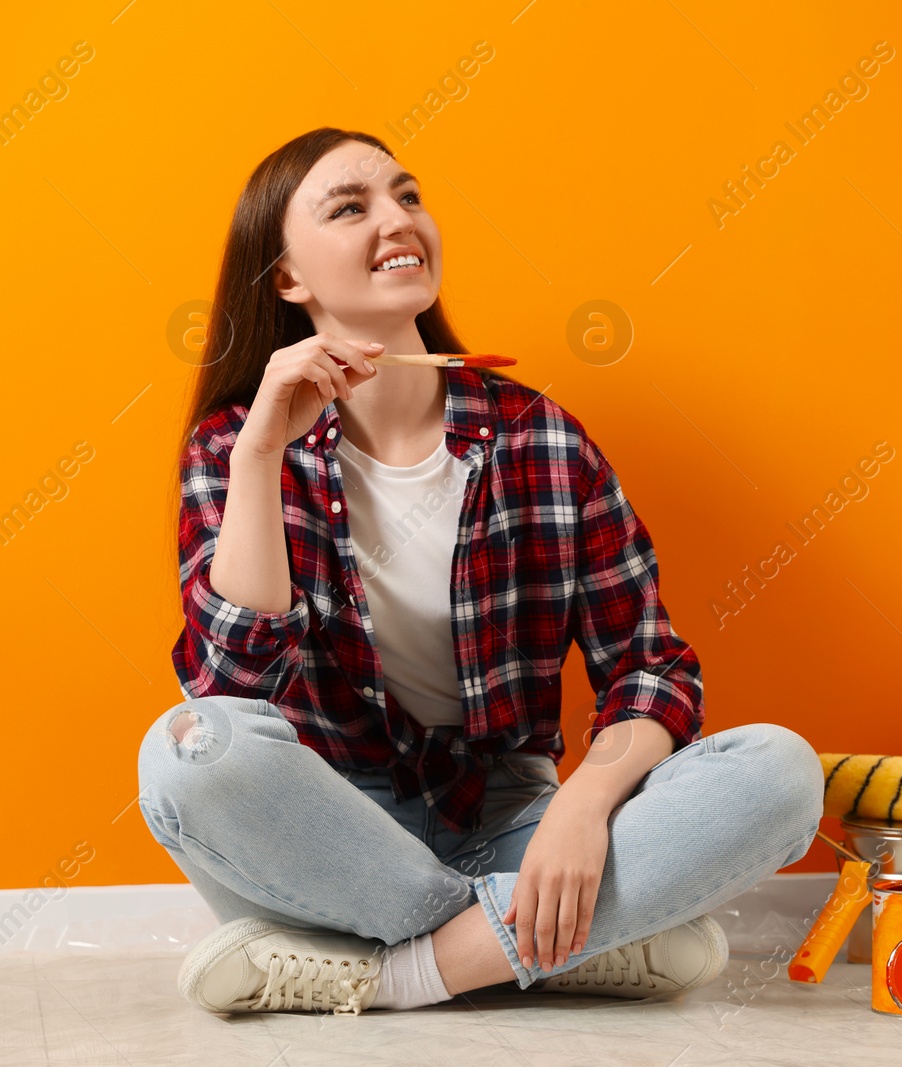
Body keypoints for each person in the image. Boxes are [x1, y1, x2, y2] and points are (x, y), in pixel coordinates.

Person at [137, 127, 823, 1016]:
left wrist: (584, 805)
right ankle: (549, 943)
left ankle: (390, 972)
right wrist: (265, 450)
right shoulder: (236, 446)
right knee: (186, 754)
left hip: (515, 821)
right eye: (351, 207)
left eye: (408, 196)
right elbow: (228, 686)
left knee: (780, 769)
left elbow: (652, 671)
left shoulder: (538, 434)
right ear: (287, 279)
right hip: (336, 833)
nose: (398, 220)